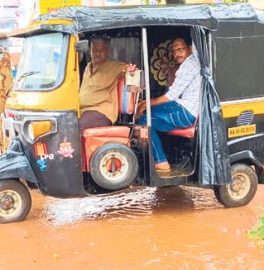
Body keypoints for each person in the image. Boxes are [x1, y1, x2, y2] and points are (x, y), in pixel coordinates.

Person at [135, 37, 201, 172]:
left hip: (184, 112)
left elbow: (170, 96)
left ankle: (161, 162)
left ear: (189, 48)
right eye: (174, 51)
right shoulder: (194, 61)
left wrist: (146, 103)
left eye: (180, 49)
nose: (177, 54)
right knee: (149, 117)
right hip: (183, 108)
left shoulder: (188, 66)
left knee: (144, 120)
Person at [79, 37, 136, 130]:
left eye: (101, 50)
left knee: (76, 126)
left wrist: (131, 70)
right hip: (82, 111)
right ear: (90, 51)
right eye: (95, 50)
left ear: (107, 52)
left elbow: (130, 71)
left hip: (101, 112)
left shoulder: (114, 65)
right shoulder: (87, 67)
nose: (97, 53)